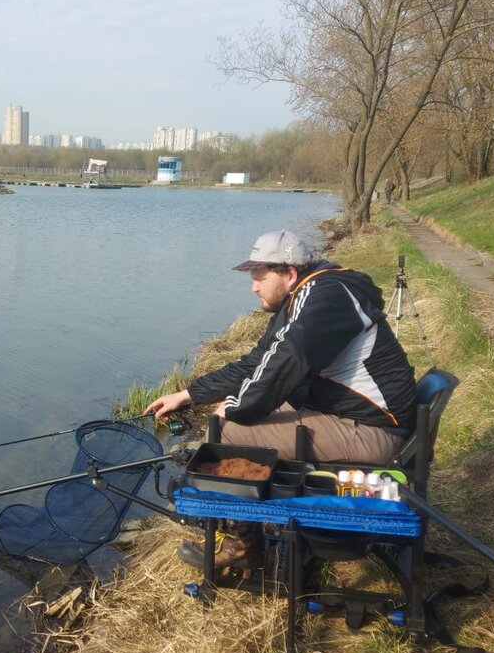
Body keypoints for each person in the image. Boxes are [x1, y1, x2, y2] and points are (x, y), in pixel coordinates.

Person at [144, 229, 418, 568]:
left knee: (229, 432)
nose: (253, 287)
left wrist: (235, 410)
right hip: (357, 416)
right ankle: (253, 520)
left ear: (289, 274)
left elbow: (288, 361)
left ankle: (242, 546)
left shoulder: (325, 298)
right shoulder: (312, 295)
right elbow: (255, 363)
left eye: (260, 277)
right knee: (230, 416)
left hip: (375, 430)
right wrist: (187, 395)